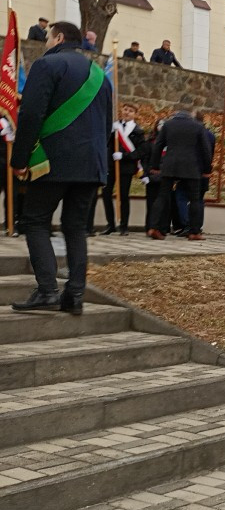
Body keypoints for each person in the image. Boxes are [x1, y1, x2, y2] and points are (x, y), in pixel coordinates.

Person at [9, 20, 112, 315]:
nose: (45, 42)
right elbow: (106, 125)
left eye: (47, 37)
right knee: (76, 228)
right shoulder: (99, 75)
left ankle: (47, 290)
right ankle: (75, 295)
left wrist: (20, 161)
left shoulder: (47, 65)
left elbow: (30, 114)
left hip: (51, 162)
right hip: (91, 165)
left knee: (35, 222)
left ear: (60, 38)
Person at [149, 107, 212, 241]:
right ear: (190, 114)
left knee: (162, 196)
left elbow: (158, 145)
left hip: (170, 164)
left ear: (175, 114)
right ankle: (194, 231)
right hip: (191, 166)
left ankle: (154, 227)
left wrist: (155, 166)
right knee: (194, 199)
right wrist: (207, 170)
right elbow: (206, 150)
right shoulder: (198, 126)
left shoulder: (168, 125)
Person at [100, 103, 145, 235]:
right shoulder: (115, 127)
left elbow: (141, 151)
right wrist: (111, 131)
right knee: (106, 194)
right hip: (111, 166)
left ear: (135, 114)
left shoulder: (138, 131)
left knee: (123, 196)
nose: (127, 112)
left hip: (126, 168)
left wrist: (125, 156)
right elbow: (105, 144)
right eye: (125, 109)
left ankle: (124, 226)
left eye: (131, 111)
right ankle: (110, 224)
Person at [138, 118, 163, 231]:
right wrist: (145, 174)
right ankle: (149, 227)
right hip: (151, 177)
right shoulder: (150, 142)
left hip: (164, 176)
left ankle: (162, 227)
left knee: (163, 203)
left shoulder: (170, 142)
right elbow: (144, 159)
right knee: (151, 203)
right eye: (160, 124)